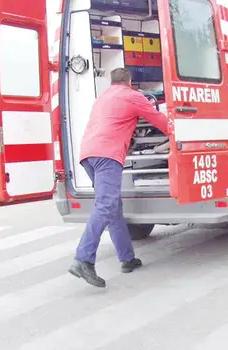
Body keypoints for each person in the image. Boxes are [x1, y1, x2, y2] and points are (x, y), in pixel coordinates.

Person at [68, 68, 169, 288]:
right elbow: (159, 119)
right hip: (107, 156)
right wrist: (182, 132)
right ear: (129, 82)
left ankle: (127, 258)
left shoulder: (102, 97)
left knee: (113, 208)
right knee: (106, 205)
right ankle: (83, 259)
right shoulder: (132, 95)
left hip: (88, 155)